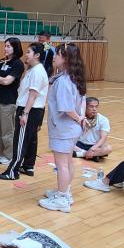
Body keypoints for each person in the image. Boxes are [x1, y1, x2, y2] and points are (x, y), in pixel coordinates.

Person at [39, 43, 88, 213]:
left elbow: (67, 108)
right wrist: (81, 118)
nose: (54, 56)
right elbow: (82, 102)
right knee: (67, 162)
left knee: (62, 165)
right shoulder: (74, 78)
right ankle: (65, 192)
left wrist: (79, 118)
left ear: (66, 58)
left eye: (57, 54)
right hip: (71, 129)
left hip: (64, 129)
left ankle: (61, 199)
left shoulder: (64, 82)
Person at [0, 43, 49, 180]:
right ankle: (28, 166)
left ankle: (12, 171)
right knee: (31, 139)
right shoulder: (34, 69)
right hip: (34, 109)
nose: (26, 55)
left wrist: (25, 113)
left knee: (20, 140)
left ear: (37, 55)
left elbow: (33, 94)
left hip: (29, 109)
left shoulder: (37, 71)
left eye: (28, 52)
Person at [0, 38, 24, 165]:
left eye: (8, 46)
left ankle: (9, 154)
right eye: (5, 46)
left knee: (7, 129)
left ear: (15, 48)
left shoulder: (17, 64)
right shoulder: (1, 61)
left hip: (8, 100)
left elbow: (7, 81)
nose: (5, 48)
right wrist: (0, 79)